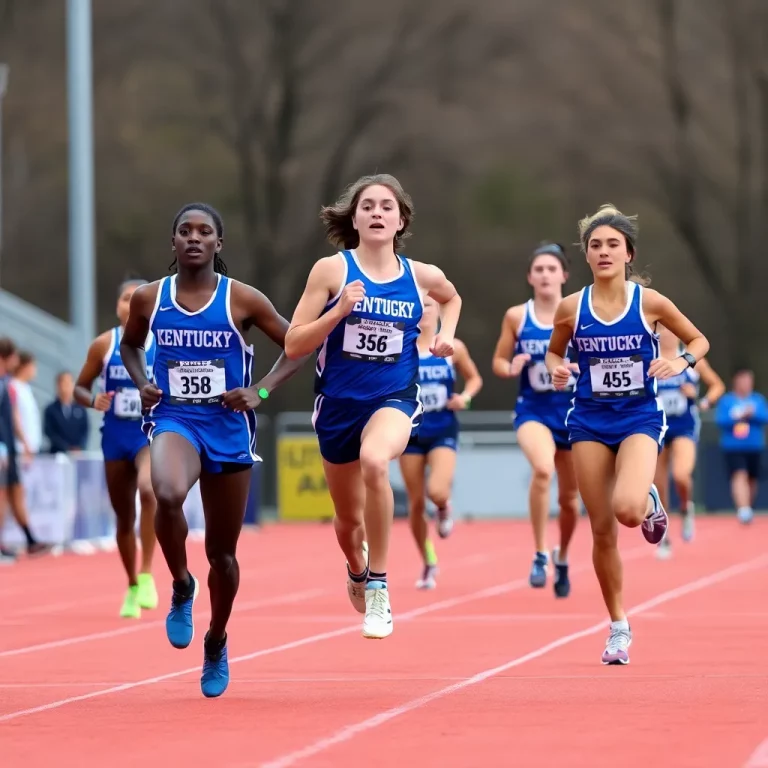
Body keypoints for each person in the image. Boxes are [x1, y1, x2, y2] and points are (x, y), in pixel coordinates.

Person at [120, 202, 307, 698]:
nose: (195, 238)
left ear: (218, 244)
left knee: (222, 555)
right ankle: (181, 585)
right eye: (185, 230)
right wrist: (142, 382)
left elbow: (299, 344)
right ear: (174, 242)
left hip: (226, 425)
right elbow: (130, 347)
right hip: (176, 416)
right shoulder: (147, 298)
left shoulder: (242, 300)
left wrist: (260, 391)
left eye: (205, 231)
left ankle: (217, 639)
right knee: (165, 491)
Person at [285, 174, 462, 640]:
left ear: (400, 220)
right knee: (347, 524)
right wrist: (338, 311)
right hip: (339, 406)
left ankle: (380, 586)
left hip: (394, 397)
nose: (377, 213)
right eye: (368, 206)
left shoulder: (419, 275)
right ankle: (358, 568)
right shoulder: (331, 272)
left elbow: (451, 295)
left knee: (375, 461)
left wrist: (445, 334)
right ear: (355, 218)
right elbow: (294, 342)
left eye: (387, 206)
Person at [545, 204, 709, 665]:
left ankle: (650, 501)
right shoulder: (570, 307)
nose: (603, 252)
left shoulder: (649, 303)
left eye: (612, 244)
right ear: (587, 254)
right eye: (595, 245)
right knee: (601, 531)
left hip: (639, 416)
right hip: (588, 420)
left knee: (627, 512)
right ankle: (618, 626)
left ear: (628, 253)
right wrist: (558, 371)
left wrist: (680, 362)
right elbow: (554, 356)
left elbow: (699, 341)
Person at [492, 243, 581, 597]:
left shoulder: (579, 314)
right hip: (533, 411)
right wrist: (510, 366)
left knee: (571, 501)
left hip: (574, 414)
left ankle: (563, 557)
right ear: (530, 277)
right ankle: (541, 554)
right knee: (543, 469)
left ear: (564, 275)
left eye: (551, 269)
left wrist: (578, 368)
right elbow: (499, 361)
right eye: (539, 269)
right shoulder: (517, 316)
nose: (545, 275)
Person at [74, 279, 159, 618]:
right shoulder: (103, 345)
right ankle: (132, 585)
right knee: (124, 517)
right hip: (114, 436)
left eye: (139, 298)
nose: (132, 303)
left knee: (148, 490)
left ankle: (148, 572)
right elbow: (80, 388)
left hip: (148, 433)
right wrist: (93, 399)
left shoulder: (162, 343)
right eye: (126, 298)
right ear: (118, 306)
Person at [399, 295, 482, 590]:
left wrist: (465, 398)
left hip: (443, 429)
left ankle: (444, 506)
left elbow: (474, 379)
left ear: (438, 311)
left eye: (429, 306)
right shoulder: (401, 348)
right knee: (415, 502)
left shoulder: (452, 348)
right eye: (417, 307)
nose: (423, 312)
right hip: (409, 433)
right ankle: (428, 561)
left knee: (436, 491)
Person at [654, 324, 725, 556]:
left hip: (684, 426)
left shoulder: (690, 359)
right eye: (661, 329)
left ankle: (686, 508)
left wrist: (700, 400)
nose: (667, 334)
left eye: (671, 330)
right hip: (657, 427)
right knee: (659, 484)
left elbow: (717, 385)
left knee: (681, 475)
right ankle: (663, 537)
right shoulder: (650, 359)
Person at [714, 367, 768, 524]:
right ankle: (743, 509)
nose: (746, 384)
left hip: (754, 446)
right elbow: (721, 421)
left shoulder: (757, 399)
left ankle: (748, 507)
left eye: (749, 380)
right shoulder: (727, 401)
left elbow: (765, 417)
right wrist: (738, 416)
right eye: (743, 380)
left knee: (752, 479)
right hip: (733, 447)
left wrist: (753, 414)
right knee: (739, 475)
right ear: (736, 382)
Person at [43, 371, 90, 453]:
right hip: (57, 454)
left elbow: (85, 431)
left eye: (69, 383)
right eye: (63, 383)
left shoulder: (81, 409)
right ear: (58, 385)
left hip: (77, 455)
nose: (66, 387)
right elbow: (49, 432)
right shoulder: (50, 409)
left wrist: (80, 447)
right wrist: (66, 448)